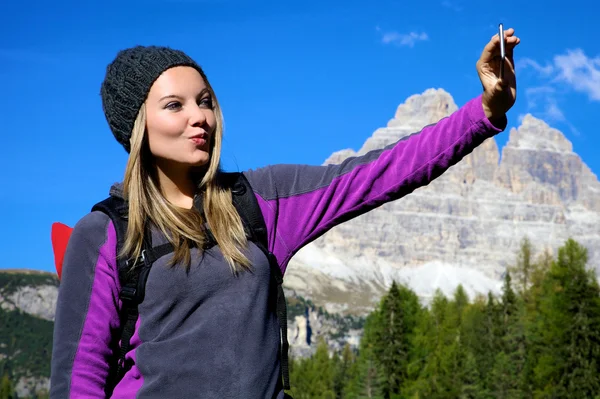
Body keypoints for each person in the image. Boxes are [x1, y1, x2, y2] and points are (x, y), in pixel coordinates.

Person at [50, 28, 520, 398]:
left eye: (206, 101)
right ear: (137, 127)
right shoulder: (106, 232)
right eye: (175, 105)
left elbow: (378, 174)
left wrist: (483, 112)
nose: (201, 117)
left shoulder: (261, 201)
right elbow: (79, 379)